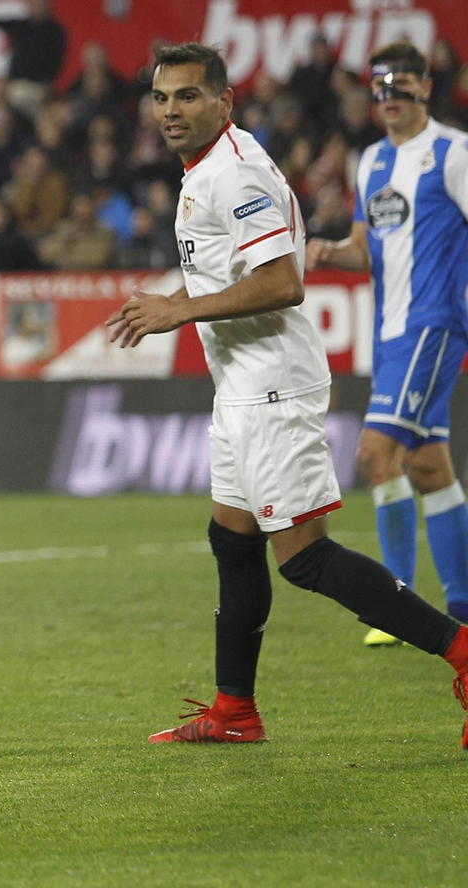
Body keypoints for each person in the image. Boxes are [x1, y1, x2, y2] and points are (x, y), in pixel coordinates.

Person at [106, 43, 468, 746]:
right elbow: (235, 272)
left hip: (270, 384)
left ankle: (461, 650)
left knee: (304, 557)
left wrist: (179, 311)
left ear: (224, 101)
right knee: (232, 540)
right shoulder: (210, 166)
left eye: (187, 96)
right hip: (241, 382)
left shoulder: (233, 174)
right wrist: (178, 300)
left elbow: (283, 280)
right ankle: (234, 711)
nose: (171, 111)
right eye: (161, 97)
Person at [307, 41, 468, 647]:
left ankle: (395, 605)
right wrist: (329, 250)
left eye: (402, 86)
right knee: (428, 465)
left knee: (376, 455)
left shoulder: (453, 153)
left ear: (427, 88)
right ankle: (462, 602)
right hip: (390, 333)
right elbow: (363, 247)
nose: (390, 98)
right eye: (381, 88)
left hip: (433, 324)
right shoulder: (371, 160)